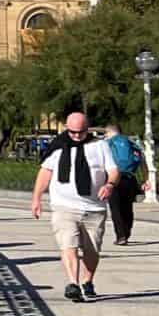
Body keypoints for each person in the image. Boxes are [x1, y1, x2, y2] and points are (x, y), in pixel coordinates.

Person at [31, 111, 115, 302]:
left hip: (94, 208)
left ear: (88, 129)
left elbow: (113, 170)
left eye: (81, 132)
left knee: (92, 250)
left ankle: (87, 281)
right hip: (64, 206)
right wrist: (36, 198)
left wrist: (109, 184)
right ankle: (73, 284)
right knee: (68, 244)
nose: (77, 136)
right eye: (73, 132)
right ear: (67, 129)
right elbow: (45, 172)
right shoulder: (58, 147)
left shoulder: (100, 146)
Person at [103, 123, 143, 242]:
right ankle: (127, 230)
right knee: (127, 207)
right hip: (130, 178)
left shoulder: (107, 144)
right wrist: (144, 179)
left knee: (115, 208)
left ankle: (120, 235)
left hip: (113, 179)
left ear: (109, 132)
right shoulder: (131, 143)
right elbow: (141, 160)